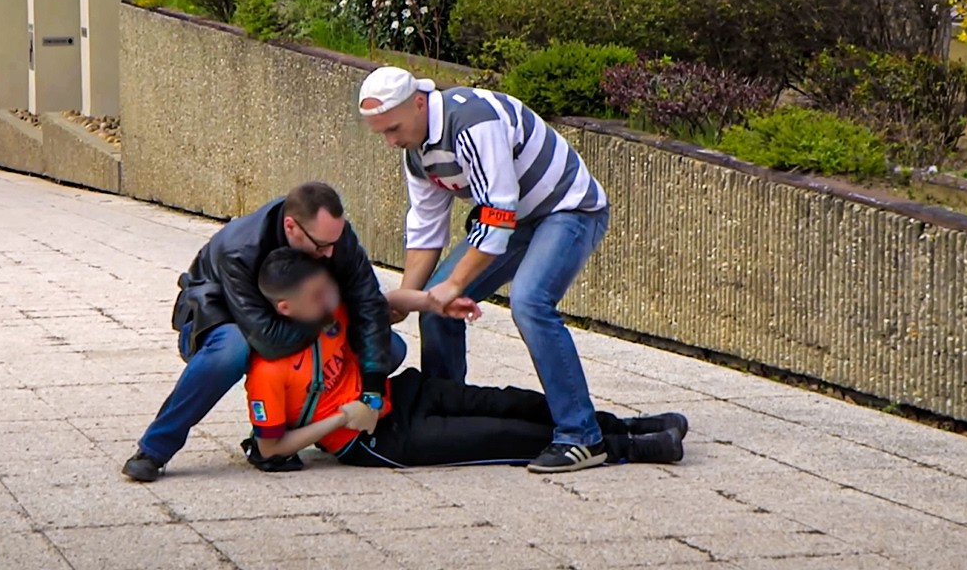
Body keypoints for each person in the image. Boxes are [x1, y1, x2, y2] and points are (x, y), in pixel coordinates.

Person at [357, 66, 614, 473]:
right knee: (434, 306)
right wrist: (410, 298)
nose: (390, 142)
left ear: (419, 102)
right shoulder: (417, 151)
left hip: (568, 210)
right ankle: (447, 415)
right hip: (516, 221)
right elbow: (425, 229)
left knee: (530, 303)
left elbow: (497, 213)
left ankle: (582, 436)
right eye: (382, 134)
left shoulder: (473, 120)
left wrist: (456, 283)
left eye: (393, 129)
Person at [241, 248, 687, 471]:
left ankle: (623, 424)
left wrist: (435, 303)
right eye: (317, 296)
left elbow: (384, 300)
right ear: (284, 307)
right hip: (378, 441)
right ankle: (634, 449)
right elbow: (271, 447)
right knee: (506, 436)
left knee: (512, 400)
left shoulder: (327, 308)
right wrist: (342, 420)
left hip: (406, 393)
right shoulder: (268, 371)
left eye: (327, 289)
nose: (330, 300)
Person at [122, 182, 399, 482]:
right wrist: (327, 316)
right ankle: (155, 448)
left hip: (297, 313)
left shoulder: (331, 236)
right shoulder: (239, 249)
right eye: (321, 247)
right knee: (231, 351)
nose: (331, 253)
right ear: (291, 227)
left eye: (336, 241)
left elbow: (368, 305)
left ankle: (289, 429)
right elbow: (267, 340)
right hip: (219, 314)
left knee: (389, 348)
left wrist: (372, 389)